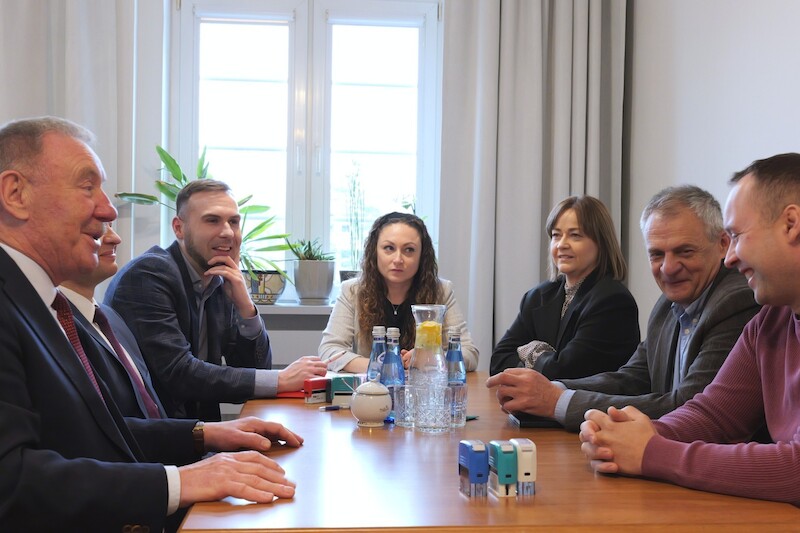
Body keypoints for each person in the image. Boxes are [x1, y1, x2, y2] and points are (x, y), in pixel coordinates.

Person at [0, 116, 302, 532]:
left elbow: (98, 433)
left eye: (234, 221)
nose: (109, 212)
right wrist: (180, 481)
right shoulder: (142, 277)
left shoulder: (45, 302)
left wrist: (205, 435)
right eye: (87, 186)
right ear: (15, 194)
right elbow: (11, 481)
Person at [580, 153, 800, 505]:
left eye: (737, 236)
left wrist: (652, 452)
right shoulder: (769, 321)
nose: (730, 257)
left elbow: (795, 469)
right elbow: (715, 414)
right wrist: (634, 435)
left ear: (791, 224)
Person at [487, 185, 759, 431]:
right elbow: (633, 378)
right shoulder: (667, 305)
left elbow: (688, 407)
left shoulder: (735, 302)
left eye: (684, 251)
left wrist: (557, 400)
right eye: (657, 254)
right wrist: (551, 389)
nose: (668, 268)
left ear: (723, 244)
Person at [105, 178, 328, 420]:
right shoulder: (149, 275)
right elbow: (178, 374)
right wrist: (280, 379)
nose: (227, 232)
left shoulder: (218, 279)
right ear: (179, 228)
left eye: (234, 222)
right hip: (161, 435)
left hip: (201, 431)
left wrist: (246, 308)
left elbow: (254, 372)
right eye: (212, 220)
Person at [490, 195, 640, 379]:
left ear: (601, 243)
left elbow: (563, 371)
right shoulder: (537, 296)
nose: (561, 244)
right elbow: (498, 361)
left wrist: (532, 351)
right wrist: (547, 360)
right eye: (556, 235)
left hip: (590, 399)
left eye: (575, 235)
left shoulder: (613, 301)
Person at [319, 211, 479, 372]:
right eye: (389, 248)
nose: (398, 259)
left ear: (422, 256)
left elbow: (469, 353)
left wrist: (432, 359)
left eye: (409, 250)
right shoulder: (352, 291)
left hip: (424, 385)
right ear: (375, 251)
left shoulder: (441, 291)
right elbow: (330, 350)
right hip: (373, 386)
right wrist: (382, 366)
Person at [60, 223, 166, 418]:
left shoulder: (111, 317)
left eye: (111, 226)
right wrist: (200, 431)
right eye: (96, 229)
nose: (115, 238)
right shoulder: (56, 325)